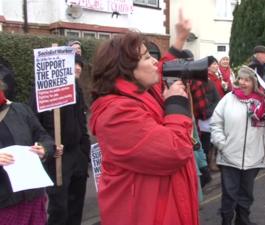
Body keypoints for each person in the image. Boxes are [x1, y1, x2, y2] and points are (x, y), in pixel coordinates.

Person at [89, 10, 199, 225]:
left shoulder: (143, 91)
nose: (155, 63)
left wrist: (179, 39)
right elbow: (174, 150)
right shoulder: (117, 114)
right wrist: (176, 104)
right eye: (148, 57)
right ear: (127, 69)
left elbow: (165, 67)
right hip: (147, 215)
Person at [29, 53, 90, 225]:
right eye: (74, 64)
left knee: (76, 206)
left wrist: (84, 152)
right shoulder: (41, 90)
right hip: (57, 158)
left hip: (77, 155)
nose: (78, 67)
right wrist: (48, 146)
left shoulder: (76, 88)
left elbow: (81, 120)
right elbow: (34, 124)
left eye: (80, 64)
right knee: (59, 209)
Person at [210, 65, 265, 225]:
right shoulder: (228, 99)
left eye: (247, 79)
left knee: (246, 195)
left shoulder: (262, 102)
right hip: (229, 157)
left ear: (254, 83)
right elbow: (215, 123)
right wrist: (222, 144)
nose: (242, 82)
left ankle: (243, 221)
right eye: (240, 79)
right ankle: (226, 221)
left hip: (254, 158)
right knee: (229, 195)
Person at [0, 76, 61, 225]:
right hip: (4, 201)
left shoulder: (20, 110)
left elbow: (44, 136)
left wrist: (44, 148)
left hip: (32, 194)